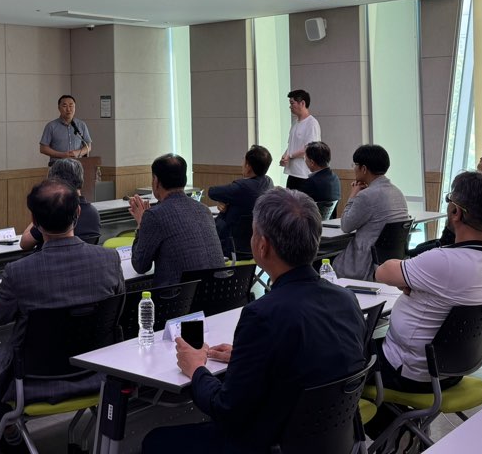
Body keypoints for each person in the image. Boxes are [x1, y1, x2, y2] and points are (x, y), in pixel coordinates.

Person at [140, 188, 366, 454]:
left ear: (262, 245)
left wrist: (196, 368)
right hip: (330, 441)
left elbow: (226, 409)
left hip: (263, 444)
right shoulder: (347, 300)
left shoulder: (262, 315)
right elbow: (311, 363)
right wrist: (247, 358)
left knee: (154, 440)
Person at [0, 179, 124, 450]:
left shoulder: (19, 272)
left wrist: (0, 298)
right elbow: (117, 307)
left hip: (32, 381)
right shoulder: (109, 260)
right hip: (97, 373)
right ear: (78, 213)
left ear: (34, 222)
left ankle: (8, 434)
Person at [373, 171, 482, 394]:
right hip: (452, 369)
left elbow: (382, 272)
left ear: (456, 212)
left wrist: (409, 279)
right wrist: (415, 281)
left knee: (338, 359)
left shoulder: (443, 261)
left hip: (407, 371)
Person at [130, 154, 224, 286]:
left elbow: (140, 265)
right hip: (218, 292)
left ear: (156, 181)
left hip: (179, 296)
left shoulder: (154, 215)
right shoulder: (204, 210)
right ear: (184, 179)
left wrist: (141, 223)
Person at [334, 144, 409, 280]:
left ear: (363, 169)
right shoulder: (397, 192)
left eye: (355, 165)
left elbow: (346, 225)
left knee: (325, 262)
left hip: (365, 264)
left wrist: (353, 195)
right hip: (390, 260)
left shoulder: (367, 195)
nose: (354, 168)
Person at [208, 145, 274, 258]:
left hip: (231, 244)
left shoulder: (241, 187)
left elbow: (212, 192)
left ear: (248, 167)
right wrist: (227, 202)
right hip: (257, 244)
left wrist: (225, 201)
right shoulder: (268, 182)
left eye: (244, 161)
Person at [19, 157, 100, 249]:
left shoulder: (54, 211)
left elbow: (25, 243)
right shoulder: (93, 213)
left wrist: (40, 211)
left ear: (55, 181)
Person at [279, 89, 321, 192]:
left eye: (292, 103)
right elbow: (291, 144)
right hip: (292, 173)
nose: (290, 107)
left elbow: (309, 149)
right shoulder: (295, 122)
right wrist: (285, 156)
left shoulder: (312, 123)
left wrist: (290, 155)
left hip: (304, 175)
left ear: (302, 103)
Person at [39, 94, 92, 164]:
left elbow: (88, 146)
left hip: (77, 164)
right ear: (59, 108)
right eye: (64, 106)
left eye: (71, 106)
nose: (68, 109)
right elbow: (43, 148)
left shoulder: (81, 125)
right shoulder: (51, 126)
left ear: (75, 107)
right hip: (57, 165)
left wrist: (77, 153)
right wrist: (62, 155)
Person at [296, 141, 342, 214]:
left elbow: (296, 206)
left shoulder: (311, 182)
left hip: (312, 220)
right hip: (330, 220)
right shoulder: (335, 178)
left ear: (312, 162)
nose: (304, 159)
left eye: (305, 157)